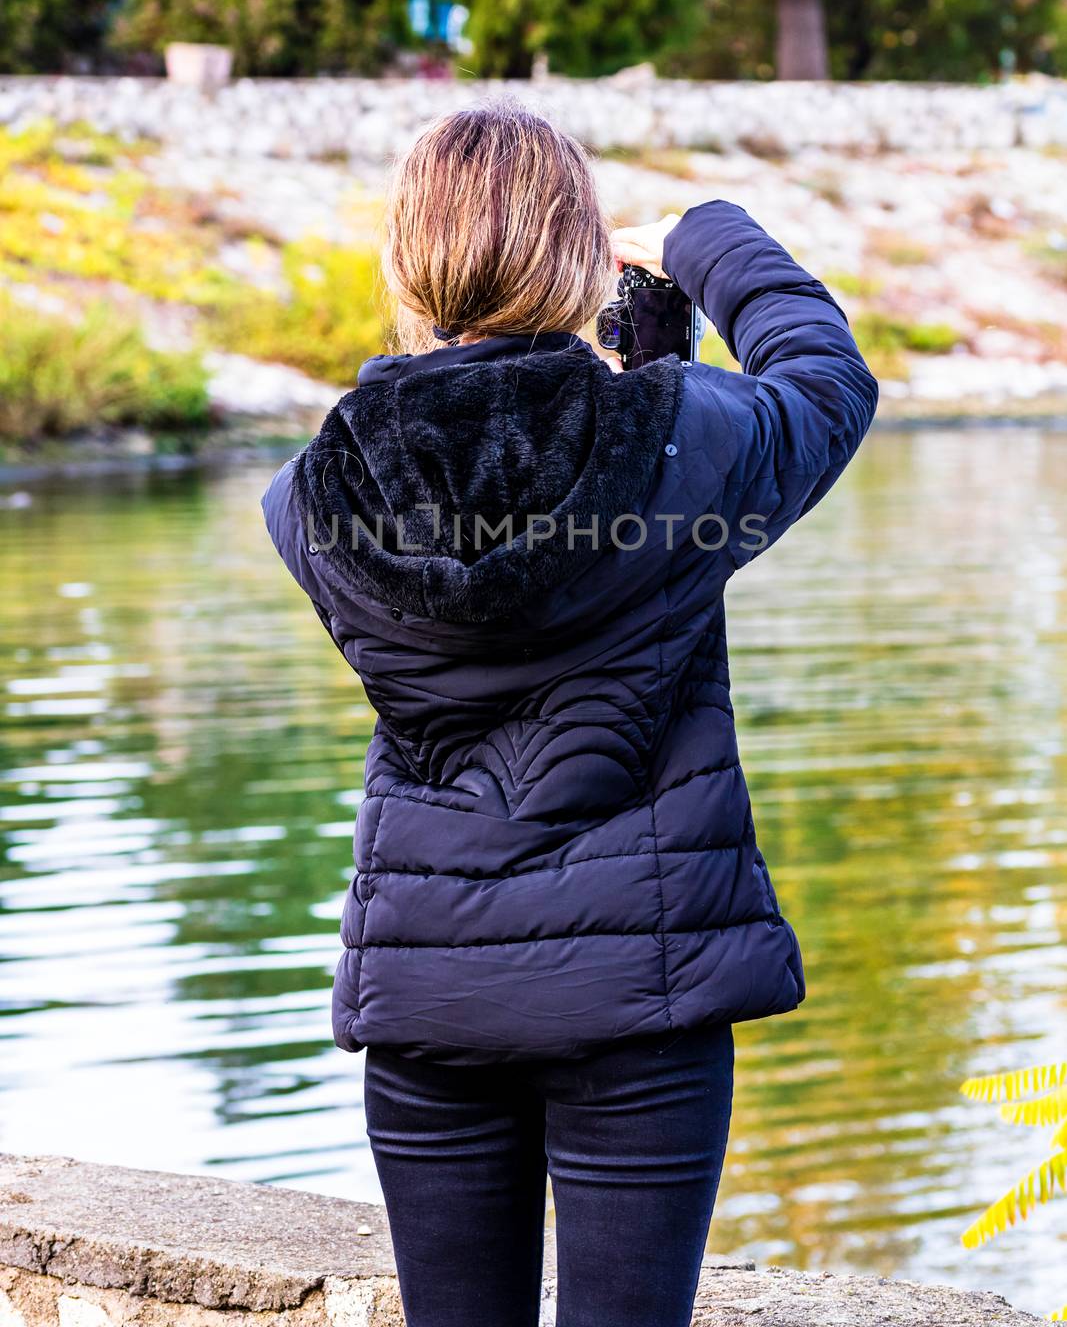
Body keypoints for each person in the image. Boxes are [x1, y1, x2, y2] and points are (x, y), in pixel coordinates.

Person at [262, 103, 878, 1327]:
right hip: (637, 1004)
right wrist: (700, 236)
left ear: (405, 263)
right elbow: (822, 379)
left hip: (429, 1003)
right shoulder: (675, 444)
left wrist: (646, 367)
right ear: (575, 252)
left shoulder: (311, 495)